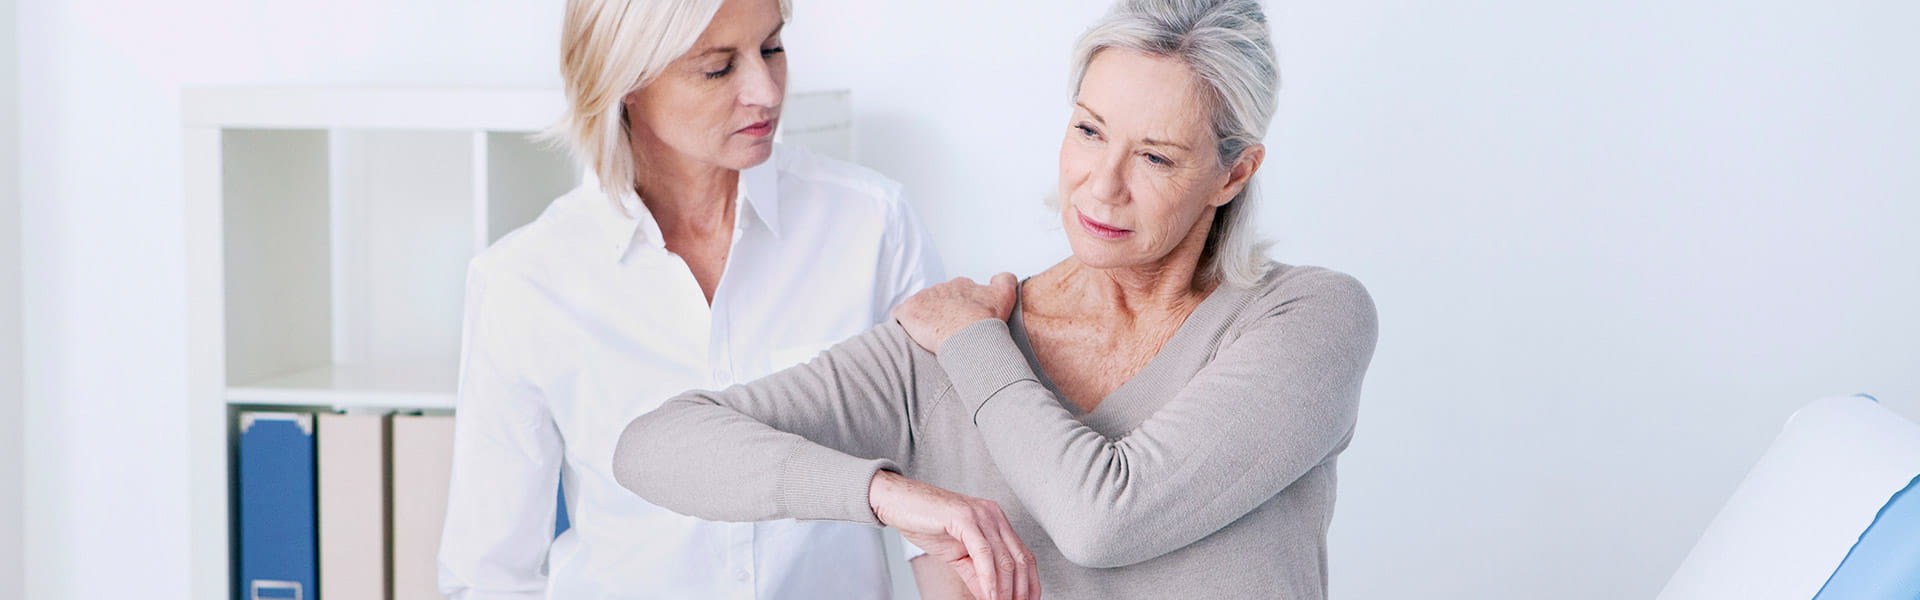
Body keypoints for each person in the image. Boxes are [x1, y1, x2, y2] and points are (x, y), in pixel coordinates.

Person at [612, 0, 1379, 599]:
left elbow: (1104, 518)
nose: (1102, 185)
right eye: (1089, 131)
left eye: (1154, 156)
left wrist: (975, 347)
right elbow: (655, 445)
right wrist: (889, 496)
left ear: (1234, 174)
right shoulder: (940, 346)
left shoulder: (1306, 318)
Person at [435, 0, 942, 597]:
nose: (766, 91)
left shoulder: (873, 224)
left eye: (772, 48)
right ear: (624, 80)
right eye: (717, 68)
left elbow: (944, 493)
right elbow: (490, 573)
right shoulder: (524, 280)